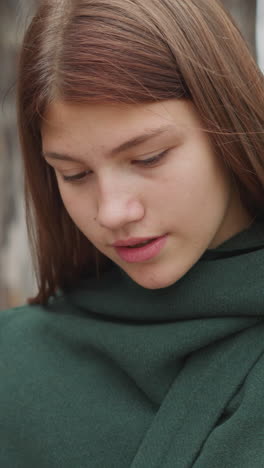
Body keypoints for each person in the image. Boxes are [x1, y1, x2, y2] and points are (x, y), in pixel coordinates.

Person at [1, 0, 264, 466]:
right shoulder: (13, 365)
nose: (112, 212)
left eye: (148, 158)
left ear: (228, 123)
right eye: (75, 174)